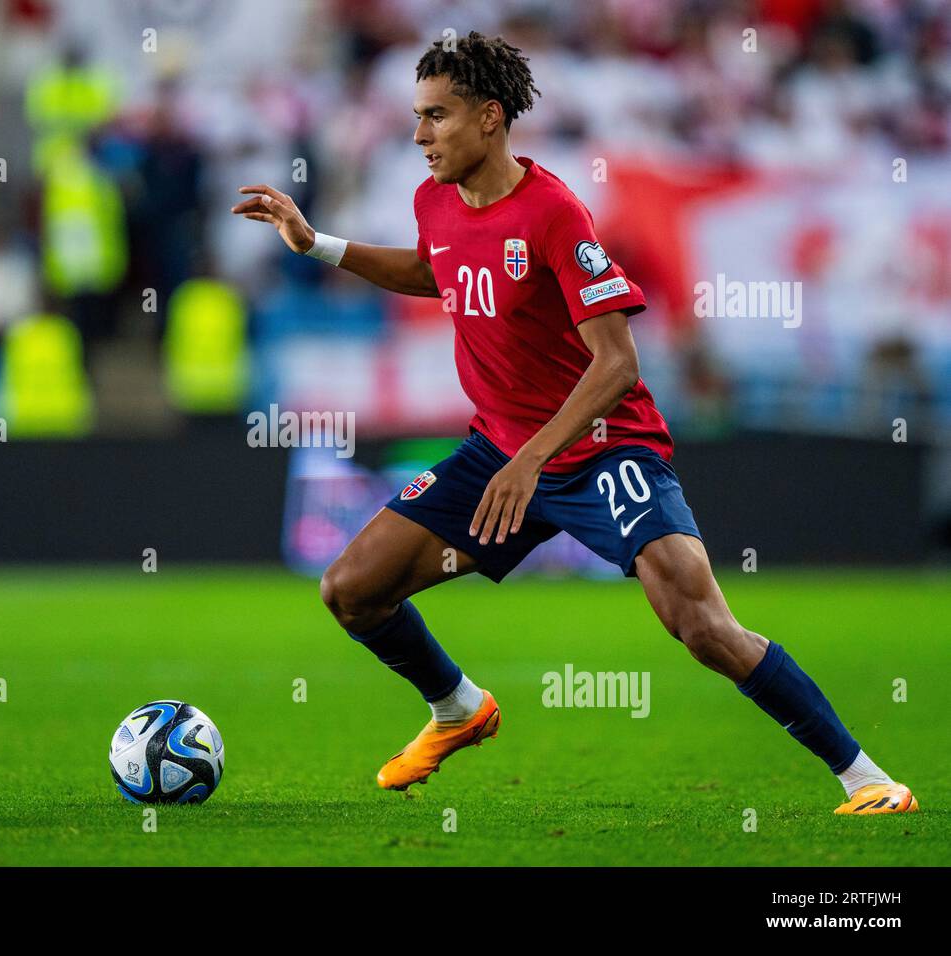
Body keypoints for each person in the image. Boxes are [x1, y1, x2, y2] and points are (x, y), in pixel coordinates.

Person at [231, 31, 915, 815]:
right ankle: (458, 708)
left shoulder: (554, 213)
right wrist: (317, 243)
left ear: (490, 118)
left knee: (701, 626)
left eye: (436, 117)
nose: (419, 136)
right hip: (499, 451)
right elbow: (433, 269)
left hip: (603, 452)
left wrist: (532, 461)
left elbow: (617, 363)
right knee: (351, 590)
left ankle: (867, 780)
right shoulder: (436, 199)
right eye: (416, 117)